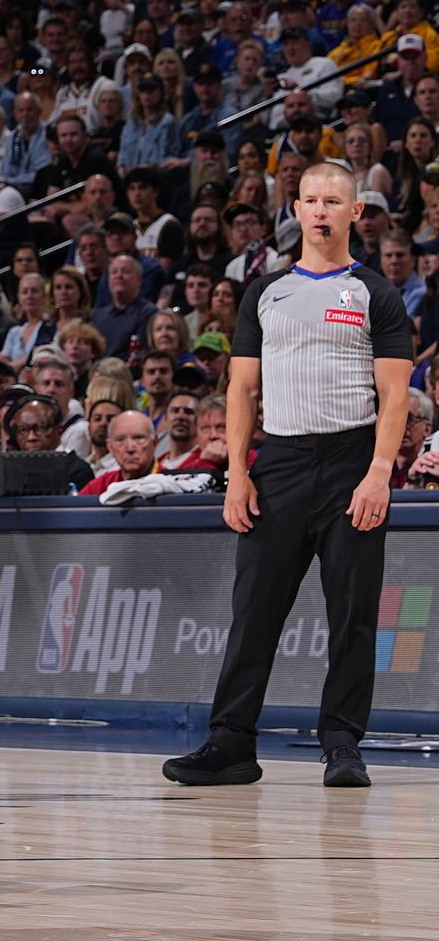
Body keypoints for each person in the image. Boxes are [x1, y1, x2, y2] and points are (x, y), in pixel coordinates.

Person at [165, 162, 413, 790]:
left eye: (334, 200)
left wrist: (379, 472)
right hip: (278, 464)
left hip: (352, 461)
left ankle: (342, 744)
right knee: (254, 608)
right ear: (296, 210)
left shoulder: (374, 293)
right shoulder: (265, 292)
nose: (321, 210)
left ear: (356, 213)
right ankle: (231, 743)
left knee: (353, 612)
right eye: (310, 200)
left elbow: (395, 397)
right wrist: (241, 474)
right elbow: (242, 390)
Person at [3, 391, 96, 489]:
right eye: (23, 429)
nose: (31, 437)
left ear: (59, 432)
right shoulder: (9, 472)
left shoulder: (78, 471)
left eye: (41, 428)